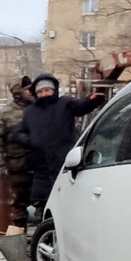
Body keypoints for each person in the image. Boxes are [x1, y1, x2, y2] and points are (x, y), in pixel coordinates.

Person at [19, 73, 106, 210]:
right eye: (40, 91)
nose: (44, 94)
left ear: (54, 90)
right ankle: (46, 230)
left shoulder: (64, 103)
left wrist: (92, 100)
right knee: (43, 207)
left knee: (67, 204)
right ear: (36, 94)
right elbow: (19, 132)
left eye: (47, 90)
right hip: (41, 166)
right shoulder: (30, 112)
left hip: (64, 161)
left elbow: (80, 106)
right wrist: (31, 142)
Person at [0, 76, 36, 232]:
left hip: (39, 165)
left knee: (43, 202)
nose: (31, 91)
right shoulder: (7, 112)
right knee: (18, 206)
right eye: (27, 88)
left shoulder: (39, 108)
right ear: (18, 91)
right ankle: (20, 243)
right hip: (17, 166)